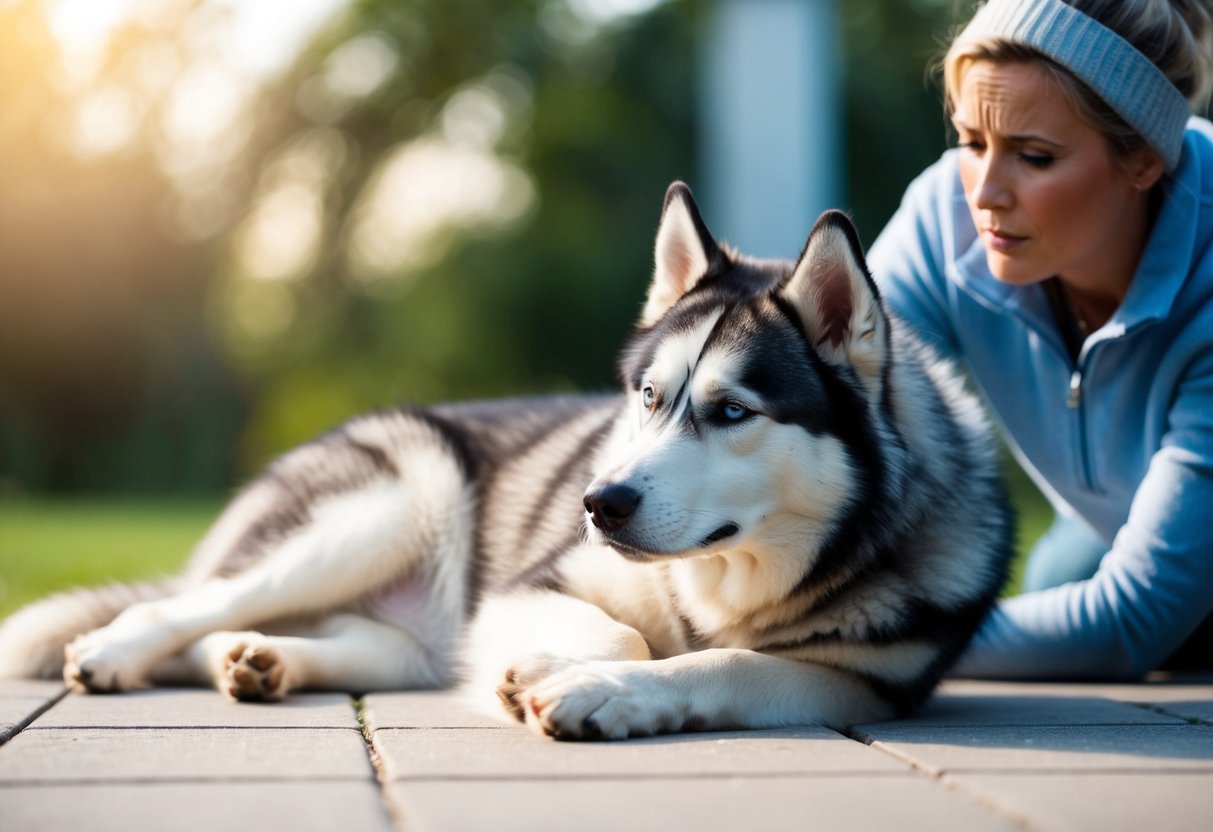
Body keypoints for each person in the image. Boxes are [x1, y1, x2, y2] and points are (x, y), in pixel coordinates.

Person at [867, 0, 1213, 678]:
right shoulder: (944, 217)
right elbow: (821, 385)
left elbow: (1131, 618)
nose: (985, 193)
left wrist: (855, 643)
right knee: (1056, 581)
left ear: (1142, 160)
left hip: (1158, 584)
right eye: (970, 142)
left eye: (1033, 156)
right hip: (1099, 538)